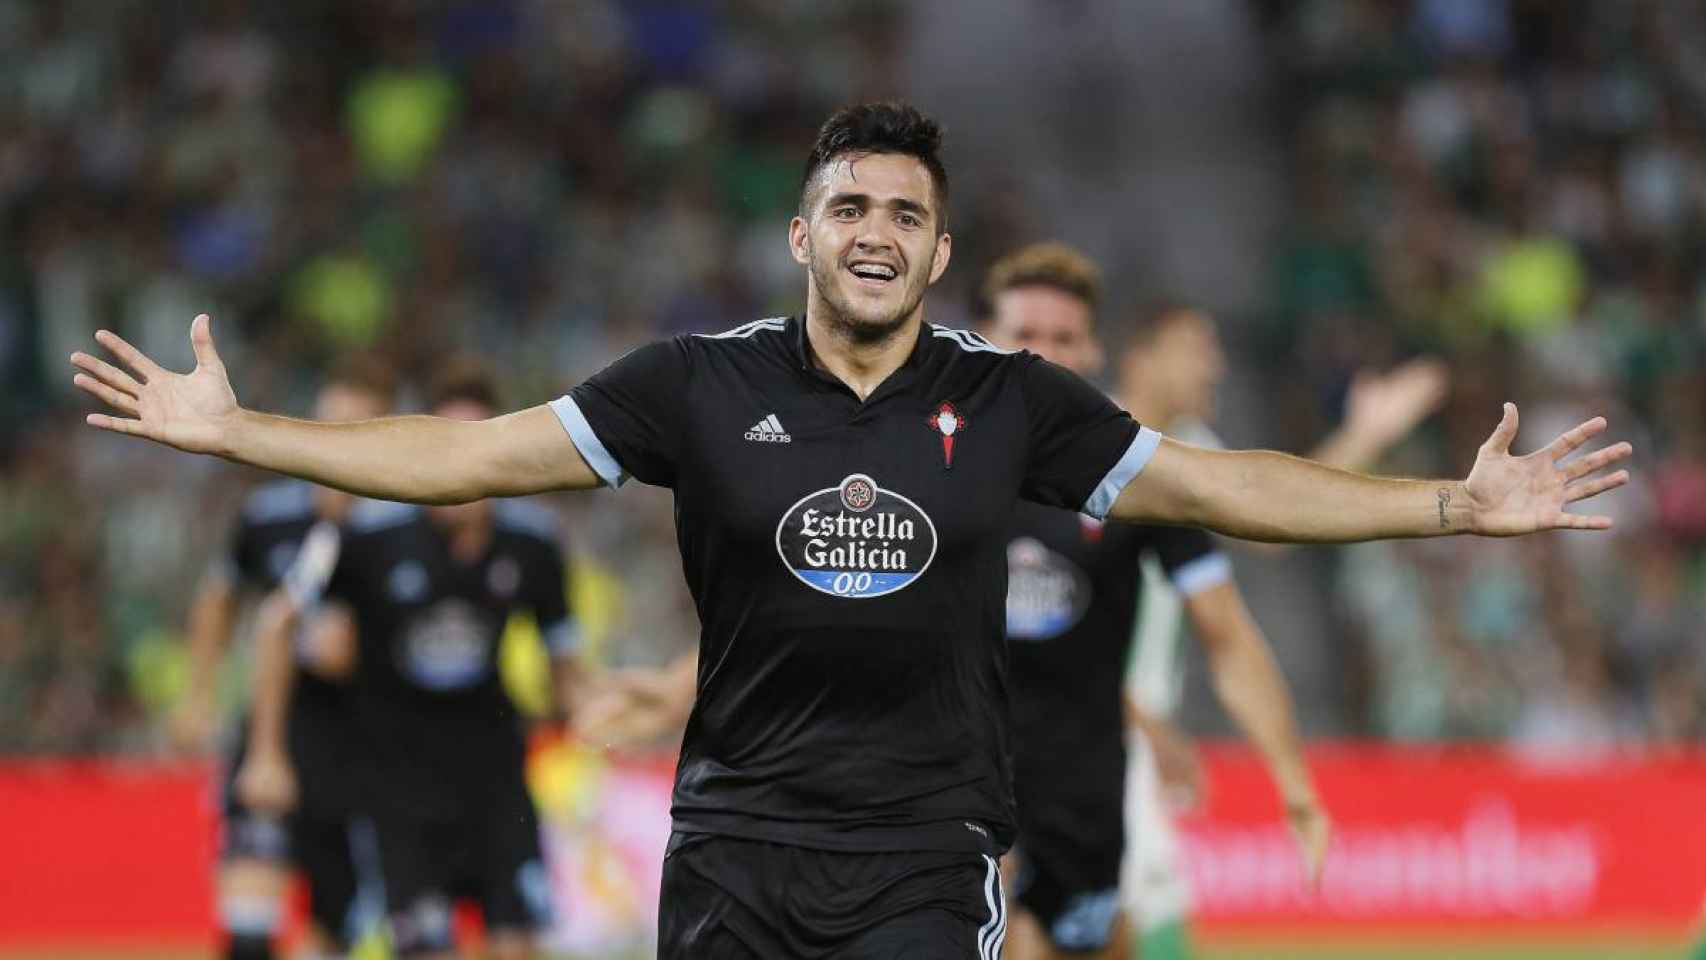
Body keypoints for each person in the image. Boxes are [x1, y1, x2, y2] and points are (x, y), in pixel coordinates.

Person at [70, 101, 1630, 959]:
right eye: (850, 208)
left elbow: (1223, 488)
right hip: (734, 847)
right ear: (799, 230)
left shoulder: (1012, 398)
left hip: (923, 853)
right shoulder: (692, 385)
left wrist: (1446, 502)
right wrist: (240, 430)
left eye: (904, 214)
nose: (876, 232)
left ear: (937, 248)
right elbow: (466, 456)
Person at [1113, 300, 1446, 960]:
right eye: (1196, 347)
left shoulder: (1187, 450)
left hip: (1130, 724)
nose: (1217, 364)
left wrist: (1366, 436)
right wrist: (1140, 721)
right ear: (1141, 357)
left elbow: (1282, 514)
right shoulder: (1083, 448)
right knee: (1138, 901)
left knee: (1124, 905)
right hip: (1085, 719)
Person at [240, 360, 585, 960]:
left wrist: (595, 712)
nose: (463, 468)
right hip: (399, 794)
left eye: (476, 446)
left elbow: (567, 669)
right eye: (446, 447)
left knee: (519, 948)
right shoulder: (365, 533)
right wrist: (267, 752)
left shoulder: (533, 542)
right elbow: (276, 625)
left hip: (496, 785)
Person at [168, 358, 395, 960]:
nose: (331, 443)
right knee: (248, 927)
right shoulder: (269, 516)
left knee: (334, 927)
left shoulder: (404, 526)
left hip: (362, 752)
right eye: (324, 425)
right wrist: (198, 694)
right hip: (273, 735)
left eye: (352, 428)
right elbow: (219, 600)